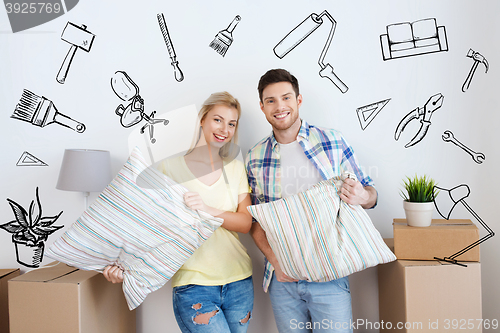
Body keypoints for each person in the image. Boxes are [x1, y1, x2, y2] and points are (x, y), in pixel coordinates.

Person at [104, 91, 254, 333]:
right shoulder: (168, 168)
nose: (224, 129)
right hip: (193, 285)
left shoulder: (236, 167)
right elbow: (144, 222)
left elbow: (245, 223)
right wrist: (123, 264)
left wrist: (207, 210)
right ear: (202, 119)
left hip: (239, 281)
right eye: (218, 119)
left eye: (232, 123)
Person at [245, 69, 377, 333]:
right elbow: (255, 221)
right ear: (262, 107)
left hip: (330, 273)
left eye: (286, 98)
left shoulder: (332, 141)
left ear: (299, 100)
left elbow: (371, 195)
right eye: (271, 100)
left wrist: (363, 195)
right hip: (282, 280)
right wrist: (275, 259)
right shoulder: (255, 156)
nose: (280, 106)